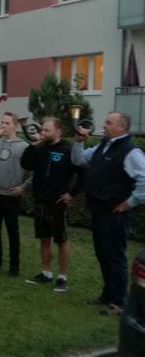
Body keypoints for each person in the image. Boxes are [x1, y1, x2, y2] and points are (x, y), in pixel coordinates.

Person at [72, 111, 145, 316]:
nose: (104, 126)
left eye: (109, 123)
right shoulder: (103, 146)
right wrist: (78, 142)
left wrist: (129, 203)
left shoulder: (130, 151)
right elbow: (78, 161)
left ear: (122, 127)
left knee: (114, 256)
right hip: (99, 211)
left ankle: (119, 301)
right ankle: (107, 295)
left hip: (115, 215)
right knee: (103, 254)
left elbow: (144, 180)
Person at [20, 116, 83, 292]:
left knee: (61, 240)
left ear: (58, 131)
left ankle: (62, 277)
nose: (43, 133)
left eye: (47, 130)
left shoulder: (68, 149)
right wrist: (32, 145)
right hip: (40, 200)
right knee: (44, 239)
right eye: (42, 129)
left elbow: (83, 172)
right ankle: (46, 273)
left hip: (57, 202)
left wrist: (72, 193)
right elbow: (25, 164)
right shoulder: (40, 148)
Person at [0, 112, 30, 276]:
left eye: (8, 123)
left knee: (12, 232)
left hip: (11, 195)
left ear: (15, 125)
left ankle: (14, 266)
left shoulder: (23, 146)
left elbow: (34, 171)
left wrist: (23, 187)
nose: (4, 126)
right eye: (3, 122)